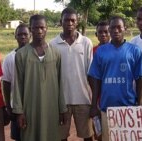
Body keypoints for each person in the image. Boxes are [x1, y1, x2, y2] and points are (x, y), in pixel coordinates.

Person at [88, 16, 142, 141]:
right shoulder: (101, 51)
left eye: (119, 27)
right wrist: (93, 105)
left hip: (128, 107)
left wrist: (140, 104)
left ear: (125, 28)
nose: (116, 30)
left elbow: (140, 79)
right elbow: (95, 80)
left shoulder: (134, 51)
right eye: (112, 27)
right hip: (106, 107)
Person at [12, 14, 67, 141]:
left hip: (51, 108)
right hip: (30, 108)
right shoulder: (21, 54)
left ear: (47, 28)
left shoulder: (56, 53)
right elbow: (18, 85)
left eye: (42, 27)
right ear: (30, 29)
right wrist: (19, 112)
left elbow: (60, 83)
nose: (39, 31)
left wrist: (62, 109)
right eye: (35, 28)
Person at [49, 7, 94, 141]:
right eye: (66, 20)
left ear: (77, 22)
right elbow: (52, 75)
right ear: (60, 21)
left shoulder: (86, 42)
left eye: (73, 20)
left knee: (88, 135)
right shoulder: (53, 44)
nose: (70, 23)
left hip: (83, 98)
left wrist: (94, 98)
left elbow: (90, 72)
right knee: (61, 136)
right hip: (62, 101)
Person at [1, 23, 30, 141]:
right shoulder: (9, 58)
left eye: (25, 34)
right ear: (15, 36)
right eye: (19, 34)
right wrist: (8, 106)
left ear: (30, 36)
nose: (23, 37)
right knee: (19, 137)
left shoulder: (38, 55)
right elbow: (6, 83)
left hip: (34, 106)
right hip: (17, 106)